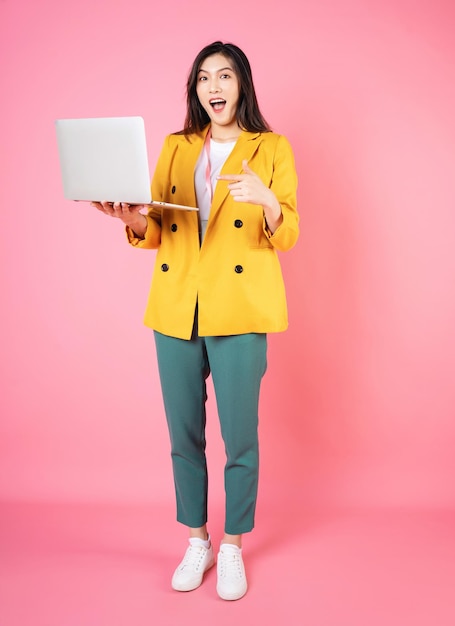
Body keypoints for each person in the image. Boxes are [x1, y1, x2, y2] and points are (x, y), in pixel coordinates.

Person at [92, 41, 299, 601]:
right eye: (205, 77)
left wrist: (268, 202)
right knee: (183, 436)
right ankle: (197, 539)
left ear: (242, 85)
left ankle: (232, 545)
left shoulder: (272, 148)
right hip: (177, 306)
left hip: (240, 309)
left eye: (225, 76)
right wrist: (131, 217)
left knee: (240, 439)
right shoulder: (177, 146)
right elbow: (158, 225)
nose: (214, 87)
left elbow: (290, 231)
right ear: (196, 89)